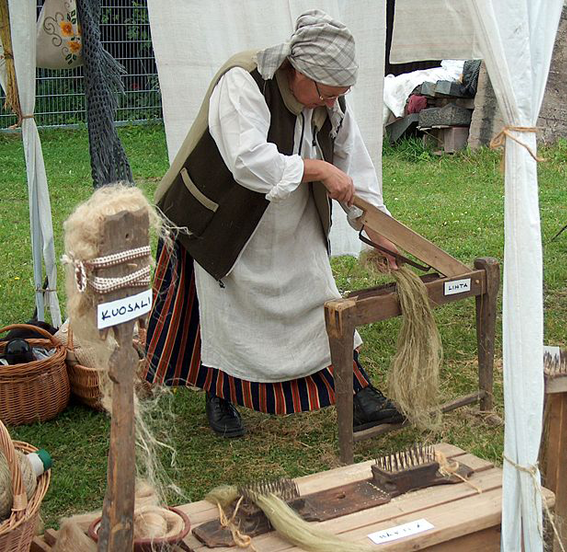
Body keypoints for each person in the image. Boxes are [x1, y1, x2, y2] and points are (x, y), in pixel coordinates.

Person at [145, 10, 405, 437]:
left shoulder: (329, 98)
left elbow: (354, 168)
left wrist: (379, 231)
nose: (330, 102)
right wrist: (318, 170)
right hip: (224, 217)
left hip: (291, 214)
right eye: (325, 92)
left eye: (339, 94)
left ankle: (358, 394)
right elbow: (247, 160)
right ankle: (220, 393)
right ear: (298, 70)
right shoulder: (243, 81)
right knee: (226, 315)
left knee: (319, 297)